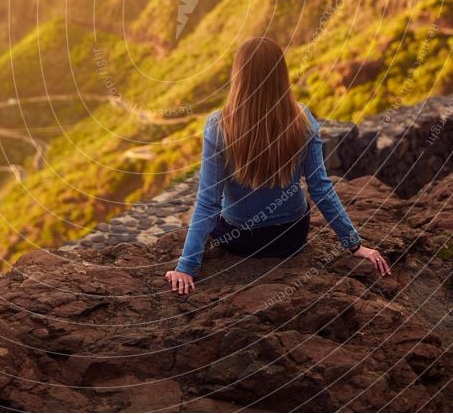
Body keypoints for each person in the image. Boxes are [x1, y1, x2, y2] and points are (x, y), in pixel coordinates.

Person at [165, 36, 391, 295]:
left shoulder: (219, 125)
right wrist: (353, 244)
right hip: (290, 237)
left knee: (216, 214)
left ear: (238, 75)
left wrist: (186, 266)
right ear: (281, 74)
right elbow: (320, 188)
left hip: (239, 239)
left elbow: (208, 202)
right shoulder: (302, 119)